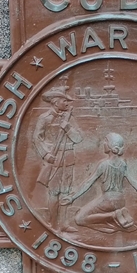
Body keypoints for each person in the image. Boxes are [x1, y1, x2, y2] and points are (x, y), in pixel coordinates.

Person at [64, 133, 137, 234]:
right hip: (120, 201)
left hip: (107, 200)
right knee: (89, 216)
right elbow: (133, 181)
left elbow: (88, 182)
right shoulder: (123, 165)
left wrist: (72, 197)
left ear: (112, 147)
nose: (103, 143)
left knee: (79, 219)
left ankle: (113, 216)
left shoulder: (104, 165)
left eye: (106, 141)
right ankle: (117, 221)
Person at [33, 85, 83, 226]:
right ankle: (53, 223)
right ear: (55, 102)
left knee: (66, 192)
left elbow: (79, 138)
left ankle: (64, 224)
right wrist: (46, 154)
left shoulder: (69, 119)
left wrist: (66, 126)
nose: (67, 103)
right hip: (54, 159)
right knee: (54, 192)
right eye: (64, 101)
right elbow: (37, 138)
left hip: (68, 158)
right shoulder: (45, 118)